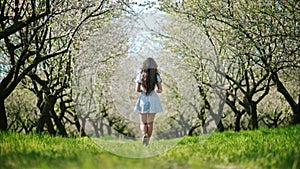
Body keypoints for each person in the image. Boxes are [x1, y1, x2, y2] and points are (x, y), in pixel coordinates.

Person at [134, 58, 163, 146]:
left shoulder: (140, 75)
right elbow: (160, 90)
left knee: (143, 122)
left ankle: (144, 135)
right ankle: (147, 140)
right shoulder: (157, 76)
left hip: (143, 99)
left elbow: (137, 89)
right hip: (153, 99)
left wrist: (143, 91)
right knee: (150, 123)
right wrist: (156, 91)